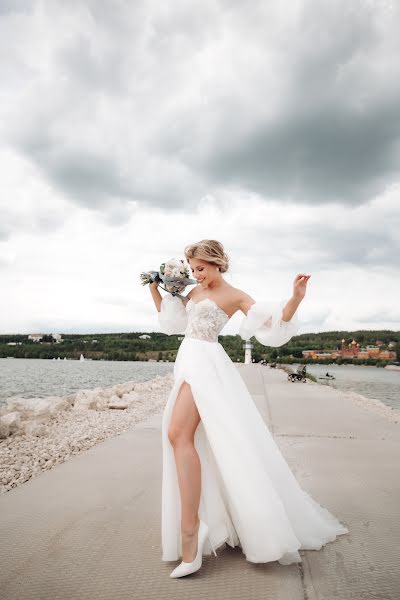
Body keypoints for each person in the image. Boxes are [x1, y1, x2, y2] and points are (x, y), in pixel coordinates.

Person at [149, 239, 348, 578]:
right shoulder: (194, 293)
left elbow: (272, 326)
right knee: (184, 437)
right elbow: (173, 323)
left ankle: (191, 532)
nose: (197, 275)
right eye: (192, 269)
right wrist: (155, 288)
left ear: (217, 264)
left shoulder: (235, 295)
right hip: (188, 360)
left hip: (207, 364)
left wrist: (296, 297)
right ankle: (197, 527)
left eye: (201, 268)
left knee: (177, 434)